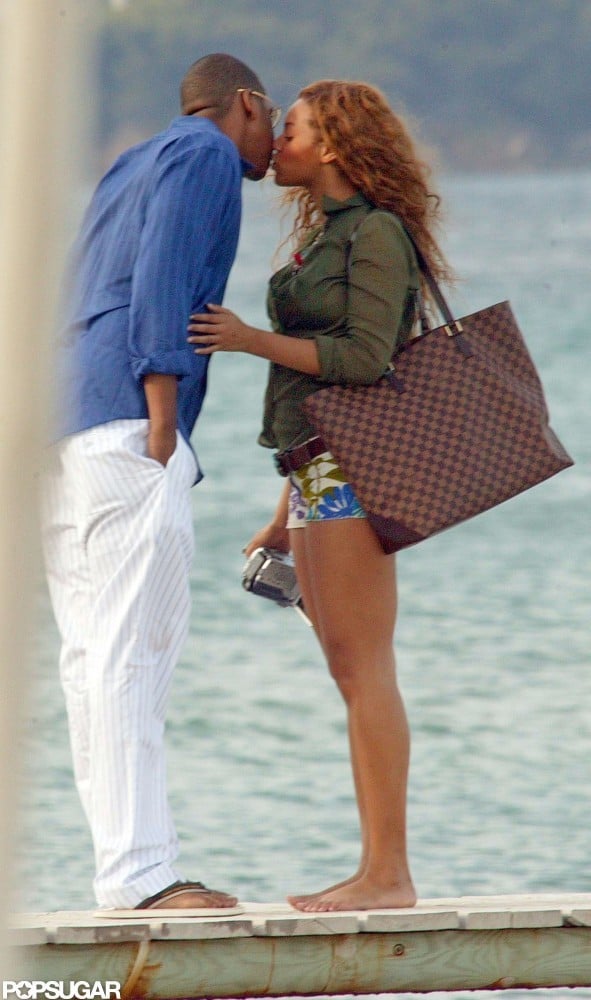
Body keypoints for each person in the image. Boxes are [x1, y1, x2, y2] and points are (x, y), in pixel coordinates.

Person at [187, 79, 453, 912]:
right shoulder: (325, 235)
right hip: (316, 473)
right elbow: (314, 383)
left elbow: (367, 359)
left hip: (351, 475)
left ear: (332, 145)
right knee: (350, 672)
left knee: (366, 670)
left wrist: (244, 338)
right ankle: (374, 867)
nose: (278, 141)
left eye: (292, 128)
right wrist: (281, 514)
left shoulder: (373, 233)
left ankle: (389, 875)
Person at [41, 53, 278, 911]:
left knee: (90, 663)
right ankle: (143, 880)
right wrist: (163, 417)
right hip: (125, 425)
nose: (276, 137)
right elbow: (163, 280)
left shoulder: (128, 161)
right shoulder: (205, 155)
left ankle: (125, 873)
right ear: (243, 105)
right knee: (131, 657)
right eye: (272, 117)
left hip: (63, 424)